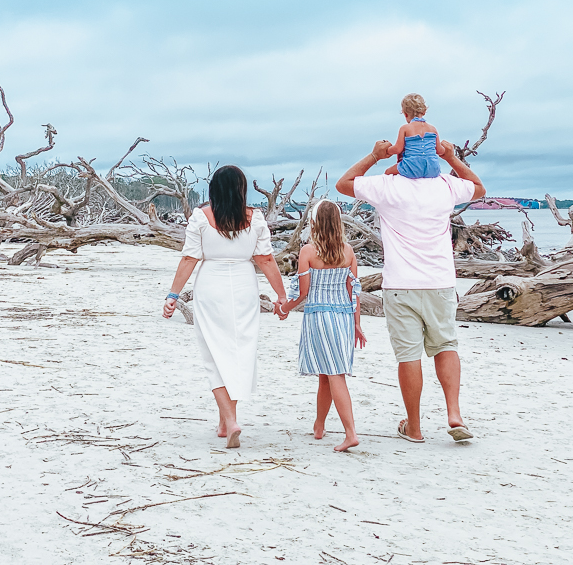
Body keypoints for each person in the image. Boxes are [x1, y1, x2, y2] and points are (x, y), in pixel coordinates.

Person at [335, 138, 485, 443]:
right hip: (439, 281)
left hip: (401, 283)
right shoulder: (444, 184)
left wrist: (375, 156)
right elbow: (478, 188)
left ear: (401, 156)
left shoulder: (389, 186)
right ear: (433, 156)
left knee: (408, 355)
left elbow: (344, 183)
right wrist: (453, 159)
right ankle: (454, 413)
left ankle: (414, 427)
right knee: (445, 345)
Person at [162, 165, 288, 449]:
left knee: (213, 352)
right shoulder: (255, 219)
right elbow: (266, 260)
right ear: (242, 189)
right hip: (244, 286)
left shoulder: (201, 217)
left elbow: (189, 259)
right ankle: (225, 420)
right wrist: (281, 296)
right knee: (239, 349)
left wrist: (173, 294)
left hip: (212, 286)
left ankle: (230, 421)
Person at [277, 199, 366, 452]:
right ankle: (319, 425)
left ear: (314, 223)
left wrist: (284, 308)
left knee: (335, 374)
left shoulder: (308, 251)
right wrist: (357, 323)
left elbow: (303, 293)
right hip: (343, 318)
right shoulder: (348, 251)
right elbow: (353, 292)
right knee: (326, 375)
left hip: (319, 317)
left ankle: (350, 433)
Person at [384, 93, 442, 178]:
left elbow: (398, 148)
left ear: (405, 114)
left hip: (412, 168)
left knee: (388, 172)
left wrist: (387, 150)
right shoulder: (433, 129)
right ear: (424, 112)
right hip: (433, 168)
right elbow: (439, 150)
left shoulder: (405, 128)